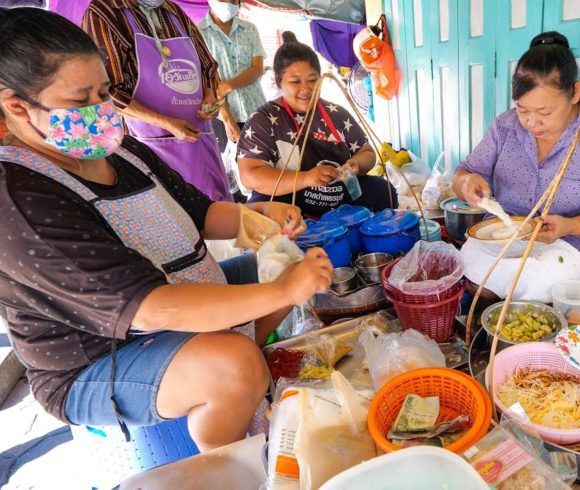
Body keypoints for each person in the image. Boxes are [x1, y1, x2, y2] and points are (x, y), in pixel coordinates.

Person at [0, 8, 333, 451]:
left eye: (104, 93)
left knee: (278, 265)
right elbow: (151, 309)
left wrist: (260, 217)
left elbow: (199, 212)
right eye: (81, 102)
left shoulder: (123, 152)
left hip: (176, 289)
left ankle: (241, 379)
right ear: (18, 106)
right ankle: (230, 453)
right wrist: (283, 293)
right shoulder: (18, 197)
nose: (101, 111)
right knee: (234, 362)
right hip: (101, 356)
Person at [454, 31, 580, 273]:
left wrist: (569, 226)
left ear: (575, 93)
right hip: (505, 238)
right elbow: (463, 174)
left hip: (572, 245)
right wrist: (467, 182)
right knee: (465, 268)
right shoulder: (505, 126)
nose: (531, 123)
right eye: (522, 110)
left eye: (544, 113)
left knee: (532, 282)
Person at [82, 0, 232, 202]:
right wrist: (165, 123)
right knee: (177, 212)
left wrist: (209, 96)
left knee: (218, 209)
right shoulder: (106, 12)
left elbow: (207, 66)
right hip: (152, 142)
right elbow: (107, 89)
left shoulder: (173, 10)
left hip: (200, 136)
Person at [237, 32, 396, 217]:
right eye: (295, 82)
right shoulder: (263, 120)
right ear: (279, 82)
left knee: (384, 192)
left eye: (313, 80)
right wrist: (306, 179)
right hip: (289, 197)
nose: (306, 89)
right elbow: (250, 175)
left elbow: (367, 153)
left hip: (334, 193)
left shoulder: (336, 113)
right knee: (258, 212)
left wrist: (355, 165)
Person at [197, 0, 266, 144]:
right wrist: (227, 119)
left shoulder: (249, 29)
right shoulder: (198, 33)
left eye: (233, 0)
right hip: (222, 116)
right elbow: (207, 80)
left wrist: (229, 85)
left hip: (257, 108)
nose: (228, 3)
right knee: (233, 162)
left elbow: (257, 68)